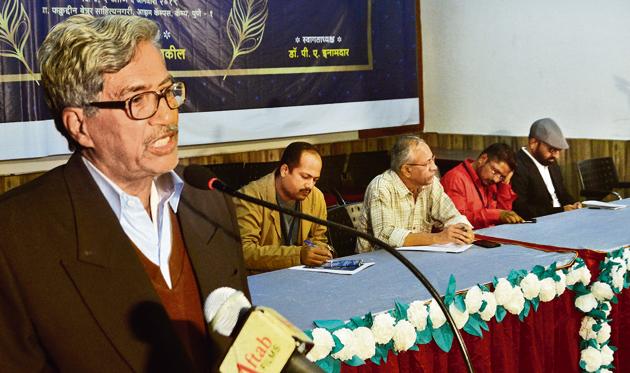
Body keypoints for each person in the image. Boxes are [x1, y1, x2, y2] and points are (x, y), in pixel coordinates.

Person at [0, 15, 248, 372]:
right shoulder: (16, 237)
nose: (167, 116)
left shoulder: (209, 200)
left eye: (167, 91)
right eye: (138, 100)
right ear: (80, 126)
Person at [357, 135, 474, 252]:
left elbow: (452, 216)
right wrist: (438, 238)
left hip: (415, 256)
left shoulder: (431, 183)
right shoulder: (381, 187)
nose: (434, 167)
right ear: (406, 170)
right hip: (377, 260)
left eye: (433, 159)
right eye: (427, 163)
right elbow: (385, 235)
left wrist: (463, 230)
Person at [234, 142, 331, 273]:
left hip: (303, 277)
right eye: (305, 177)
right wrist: (298, 255)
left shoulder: (316, 197)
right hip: (261, 280)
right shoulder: (249, 197)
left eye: (315, 180)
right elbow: (244, 252)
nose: (310, 185)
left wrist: (318, 252)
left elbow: (319, 239)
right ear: (285, 170)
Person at [441, 143, 524, 229]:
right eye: (495, 171)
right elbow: (457, 221)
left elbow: (504, 217)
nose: (496, 179)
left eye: (501, 176)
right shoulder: (456, 178)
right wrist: (496, 215)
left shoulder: (492, 182)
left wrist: (504, 185)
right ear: (483, 159)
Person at [512, 118, 581, 219]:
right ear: (533, 143)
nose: (556, 156)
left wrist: (574, 205)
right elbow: (521, 209)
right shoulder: (517, 165)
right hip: (541, 224)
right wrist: (560, 211)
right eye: (552, 150)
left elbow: (562, 192)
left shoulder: (549, 160)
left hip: (562, 218)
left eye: (558, 151)